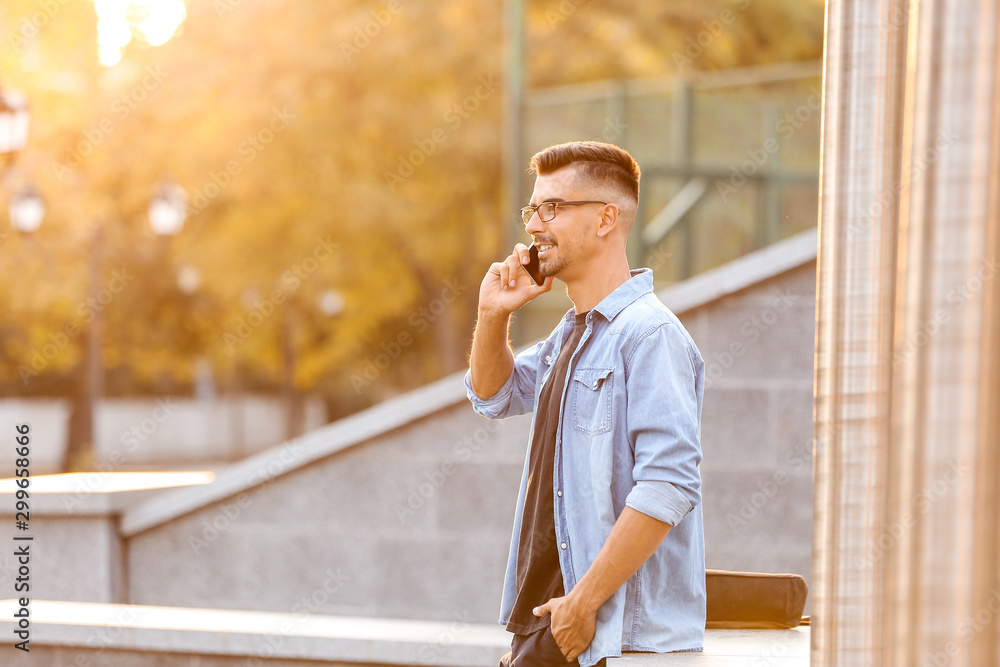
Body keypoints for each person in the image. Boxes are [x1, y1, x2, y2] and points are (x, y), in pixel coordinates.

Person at [464, 141, 706, 667]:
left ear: (605, 219)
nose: (533, 226)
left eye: (553, 208)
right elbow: (494, 394)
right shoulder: (573, 334)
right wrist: (491, 315)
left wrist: (583, 603)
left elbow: (668, 484)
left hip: (612, 639)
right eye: (533, 210)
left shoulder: (649, 336)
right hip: (554, 625)